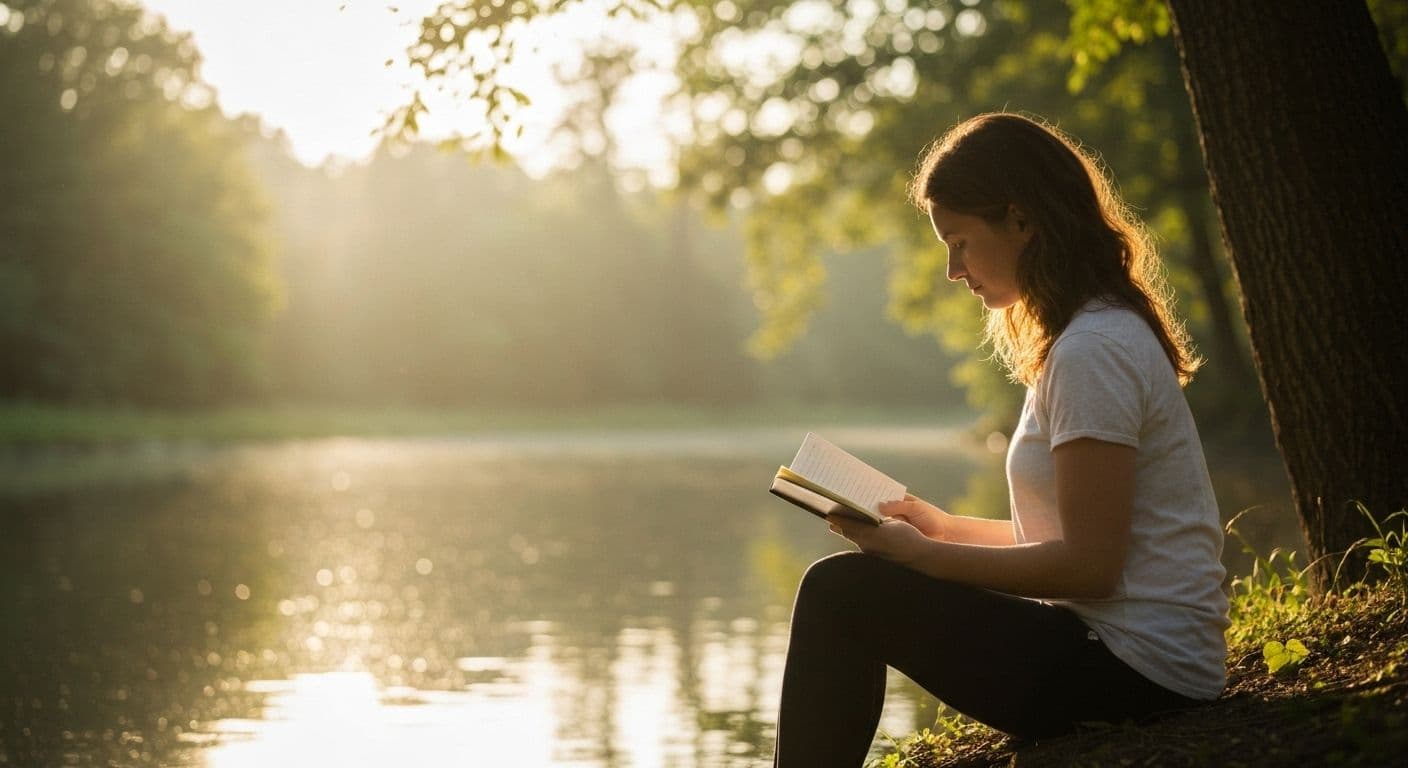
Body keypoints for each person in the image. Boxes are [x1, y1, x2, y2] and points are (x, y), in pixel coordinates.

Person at [771, 113, 1230, 766]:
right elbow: (1065, 538)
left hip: (1137, 672)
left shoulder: (1093, 351)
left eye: (959, 241)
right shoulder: (1091, 335)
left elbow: (1089, 566)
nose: (953, 270)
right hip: (1123, 653)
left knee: (838, 594)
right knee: (844, 589)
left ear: (1020, 220)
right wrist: (938, 527)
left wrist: (919, 558)